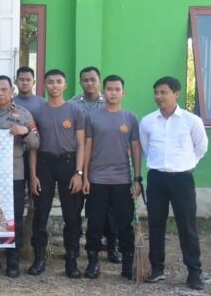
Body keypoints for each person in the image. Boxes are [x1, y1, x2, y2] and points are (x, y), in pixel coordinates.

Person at [139, 76, 208, 290]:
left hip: (182, 179)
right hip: (157, 179)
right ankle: (157, 268)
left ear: (176, 94)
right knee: (155, 224)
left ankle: (194, 272)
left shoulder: (191, 121)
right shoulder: (148, 121)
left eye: (164, 92)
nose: (159, 96)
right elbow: (146, 149)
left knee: (187, 226)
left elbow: (201, 147)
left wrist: (187, 164)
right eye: (156, 93)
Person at [0, 75, 40, 277]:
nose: (0, 93)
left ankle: (13, 259)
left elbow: (36, 143)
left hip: (14, 174)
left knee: (14, 217)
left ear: (12, 91)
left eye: (4, 90)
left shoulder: (24, 114)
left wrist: (24, 132)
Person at [82, 75, 142, 280]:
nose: (113, 93)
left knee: (124, 223)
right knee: (95, 222)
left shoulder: (130, 118)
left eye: (117, 89)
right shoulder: (92, 117)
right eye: (109, 89)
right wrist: (85, 176)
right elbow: (87, 147)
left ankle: (128, 263)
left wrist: (138, 179)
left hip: (122, 180)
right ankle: (93, 262)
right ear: (103, 92)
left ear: (123, 92)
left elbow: (136, 149)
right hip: (97, 179)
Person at [28, 69, 86, 279]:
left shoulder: (75, 110)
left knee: (72, 215)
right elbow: (33, 146)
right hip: (44, 164)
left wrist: (79, 173)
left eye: (58, 82)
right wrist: (33, 175)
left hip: (68, 165)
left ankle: (71, 259)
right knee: (40, 213)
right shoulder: (37, 112)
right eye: (50, 82)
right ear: (44, 85)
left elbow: (81, 144)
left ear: (65, 85)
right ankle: (39, 257)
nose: (54, 85)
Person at [70, 66, 118, 263]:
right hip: (76, 162)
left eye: (93, 79)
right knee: (74, 207)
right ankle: (74, 248)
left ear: (99, 81)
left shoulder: (109, 102)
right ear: (80, 82)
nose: (89, 83)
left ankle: (112, 247)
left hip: (101, 163)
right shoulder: (72, 104)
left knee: (107, 210)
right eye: (85, 80)